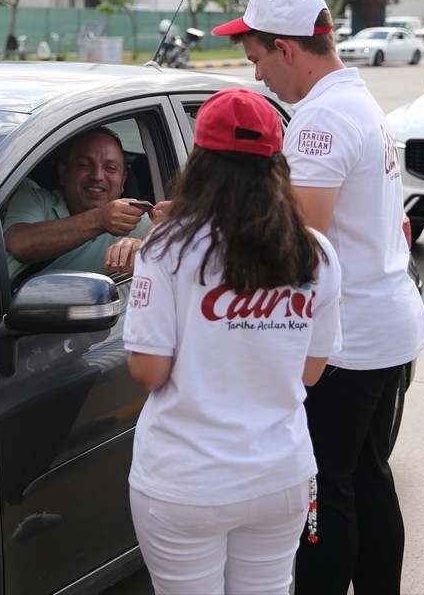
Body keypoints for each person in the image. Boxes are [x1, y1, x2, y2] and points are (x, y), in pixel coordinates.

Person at [213, 0, 424, 595]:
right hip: (386, 322)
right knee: (365, 476)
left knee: (325, 489)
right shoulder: (356, 98)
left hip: (347, 339)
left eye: (256, 60)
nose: (258, 80)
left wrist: (200, 225)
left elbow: (300, 245)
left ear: (285, 48)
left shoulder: (321, 119)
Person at [124, 87, 341, 595]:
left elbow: (149, 371)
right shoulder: (317, 254)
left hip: (187, 479)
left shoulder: (168, 245)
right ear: (277, 163)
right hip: (280, 476)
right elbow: (310, 372)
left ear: (199, 161)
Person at [3, 127, 153, 282]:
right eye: (84, 165)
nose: (97, 176)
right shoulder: (35, 199)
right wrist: (99, 220)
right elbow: (20, 245)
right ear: (63, 174)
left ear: (123, 180)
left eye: (110, 168)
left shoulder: (138, 222)